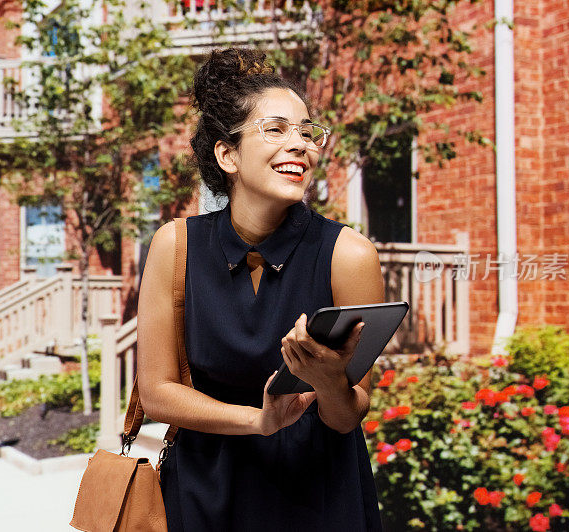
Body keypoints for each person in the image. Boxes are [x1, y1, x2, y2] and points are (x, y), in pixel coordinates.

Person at [136, 48, 385, 531]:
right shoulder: (176, 245)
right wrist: (259, 421)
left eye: (308, 132)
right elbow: (158, 392)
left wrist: (331, 381)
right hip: (205, 491)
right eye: (276, 129)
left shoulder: (349, 256)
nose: (301, 145)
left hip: (317, 495)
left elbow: (347, 415)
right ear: (227, 154)